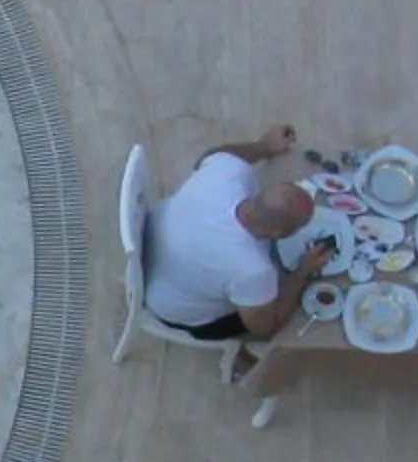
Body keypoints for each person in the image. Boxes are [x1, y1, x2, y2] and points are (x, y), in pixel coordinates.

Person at [141, 124, 333, 349]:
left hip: (149, 244)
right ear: (277, 233)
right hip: (173, 309)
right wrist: (302, 272)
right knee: (284, 311)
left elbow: (212, 156)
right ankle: (245, 359)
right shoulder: (254, 271)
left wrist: (263, 146)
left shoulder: (227, 172)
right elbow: (265, 328)